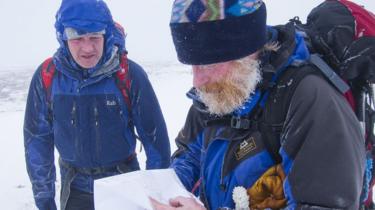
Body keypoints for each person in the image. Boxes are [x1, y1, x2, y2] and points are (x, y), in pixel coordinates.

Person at [151, 0, 367, 209]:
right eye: (193, 66)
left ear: (245, 50)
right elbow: (191, 153)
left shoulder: (311, 100)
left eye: (207, 64)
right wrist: (167, 192)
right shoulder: (222, 91)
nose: (197, 81)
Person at [23, 0, 171, 209]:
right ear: (63, 37)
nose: (87, 48)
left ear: (106, 35)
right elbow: (37, 141)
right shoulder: (48, 77)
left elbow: (156, 142)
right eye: (77, 39)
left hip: (125, 184)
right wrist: (44, 200)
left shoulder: (129, 75)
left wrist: (158, 195)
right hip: (75, 189)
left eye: (94, 37)